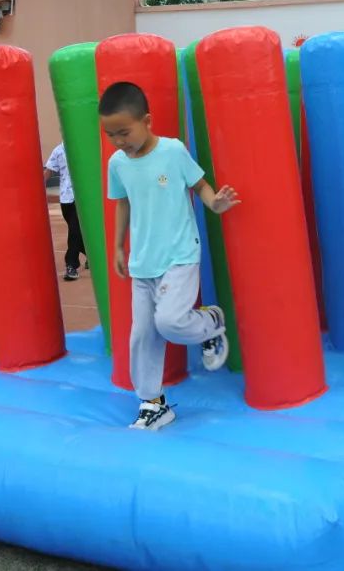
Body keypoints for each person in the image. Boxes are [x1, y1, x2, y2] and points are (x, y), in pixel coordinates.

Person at [101, 81, 239, 431]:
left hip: (179, 255)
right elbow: (123, 202)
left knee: (170, 322)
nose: (118, 141)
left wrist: (215, 204)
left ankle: (210, 324)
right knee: (142, 335)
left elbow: (200, 185)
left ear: (146, 121)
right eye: (110, 134)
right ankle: (153, 403)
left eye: (124, 132)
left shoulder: (173, 151)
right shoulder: (118, 163)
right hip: (142, 263)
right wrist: (118, 246)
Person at [43, 141, 86, 281]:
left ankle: (71, 265)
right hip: (66, 198)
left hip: (83, 198)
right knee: (77, 232)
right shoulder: (59, 150)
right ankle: (94, 258)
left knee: (75, 230)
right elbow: (49, 170)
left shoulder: (87, 147)